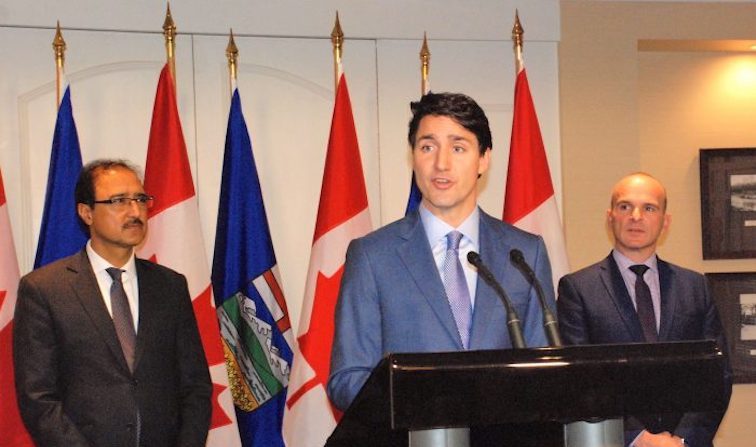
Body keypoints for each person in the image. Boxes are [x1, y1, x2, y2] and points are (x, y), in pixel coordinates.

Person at [327, 92, 556, 412]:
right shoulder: (372, 256)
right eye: (427, 147)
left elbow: (546, 374)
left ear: (484, 159)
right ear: (413, 157)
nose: (441, 163)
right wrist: (428, 405)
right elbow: (347, 379)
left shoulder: (524, 254)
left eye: (458, 147)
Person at [13, 159, 212, 446]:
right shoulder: (44, 290)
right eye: (119, 201)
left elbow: (195, 386)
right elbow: (38, 398)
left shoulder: (170, 286)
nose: (135, 211)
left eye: (140, 199)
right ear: (86, 212)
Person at [557, 173, 732, 447]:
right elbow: (580, 378)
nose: (635, 216)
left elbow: (717, 374)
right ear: (610, 216)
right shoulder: (578, 289)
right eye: (625, 207)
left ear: (665, 221)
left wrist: (684, 440)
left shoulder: (695, 286)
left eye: (649, 208)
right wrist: (637, 437)